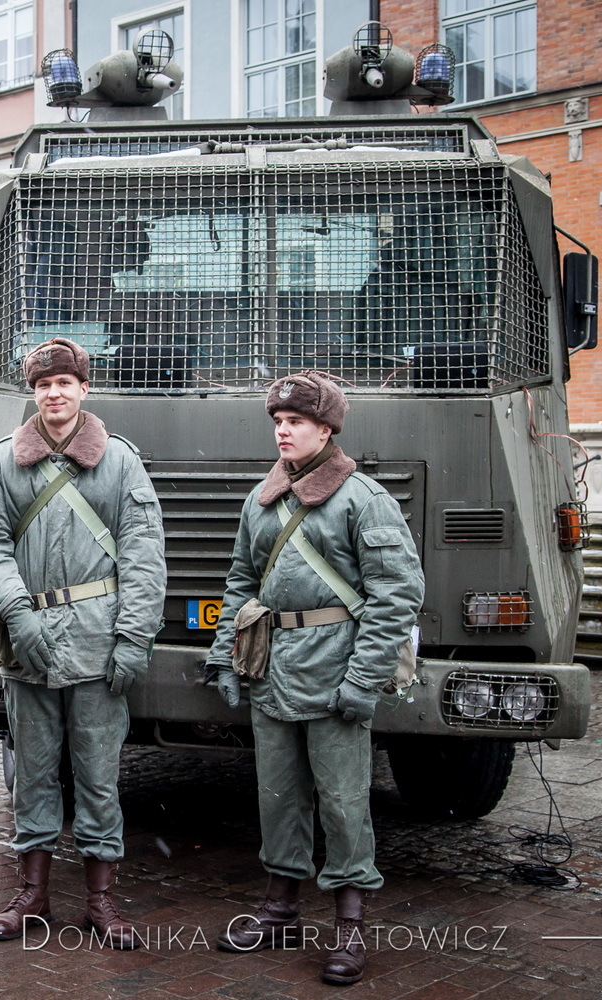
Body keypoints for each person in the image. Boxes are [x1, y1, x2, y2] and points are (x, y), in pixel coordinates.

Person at [203, 372, 424, 987]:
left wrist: (363, 678)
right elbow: (241, 583)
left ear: (326, 430)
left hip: (334, 675)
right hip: (272, 670)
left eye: (295, 421)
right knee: (276, 797)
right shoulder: (263, 500)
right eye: (277, 420)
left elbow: (397, 596)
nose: (282, 429)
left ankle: (350, 923)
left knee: (344, 803)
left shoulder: (364, 499)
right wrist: (226, 656)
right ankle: (279, 908)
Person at [0, 337, 166, 951]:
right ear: (33, 393)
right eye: (43, 384)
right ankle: (33, 893)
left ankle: (102, 899)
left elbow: (143, 554)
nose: (54, 393)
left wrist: (133, 636)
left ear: (85, 388)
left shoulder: (120, 462)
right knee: (32, 772)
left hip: (98, 639)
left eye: (65, 383)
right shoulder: (3, 461)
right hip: (26, 641)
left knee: (99, 776)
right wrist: (15, 613)